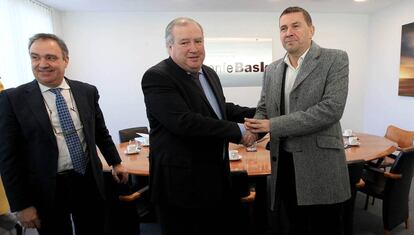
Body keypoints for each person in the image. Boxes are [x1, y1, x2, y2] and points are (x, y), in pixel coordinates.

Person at [0, 33, 129, 235]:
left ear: (65, 60)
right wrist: (22, 205)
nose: (42, 64)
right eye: (35, 57)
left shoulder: (87, 91)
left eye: (50, 57)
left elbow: (100, 131)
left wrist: (116, 162)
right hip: (46, 187)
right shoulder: (12, 99)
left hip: (87, 179)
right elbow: (8, 158)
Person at [141, 17, 256, 235]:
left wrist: (260, 114)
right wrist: (240, 132)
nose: (194, 49)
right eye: (185, 42)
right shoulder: (157, 76)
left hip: (215, 179)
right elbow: (185, 122)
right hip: (180, 187)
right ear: (170, 46)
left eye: (198, 41)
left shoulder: (208, 72)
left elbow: (221, 109)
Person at [244, 6, 351, 235]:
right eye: (283, 28)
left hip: (321, 163)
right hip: (284, 162)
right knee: (293, 224)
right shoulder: (272, 69)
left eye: (295, 26)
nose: (288, 32)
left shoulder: (335, 59)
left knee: (327, 226)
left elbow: (330, 109)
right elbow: (264, 107)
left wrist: (273, 125)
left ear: (311, 30)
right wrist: (252, 131)